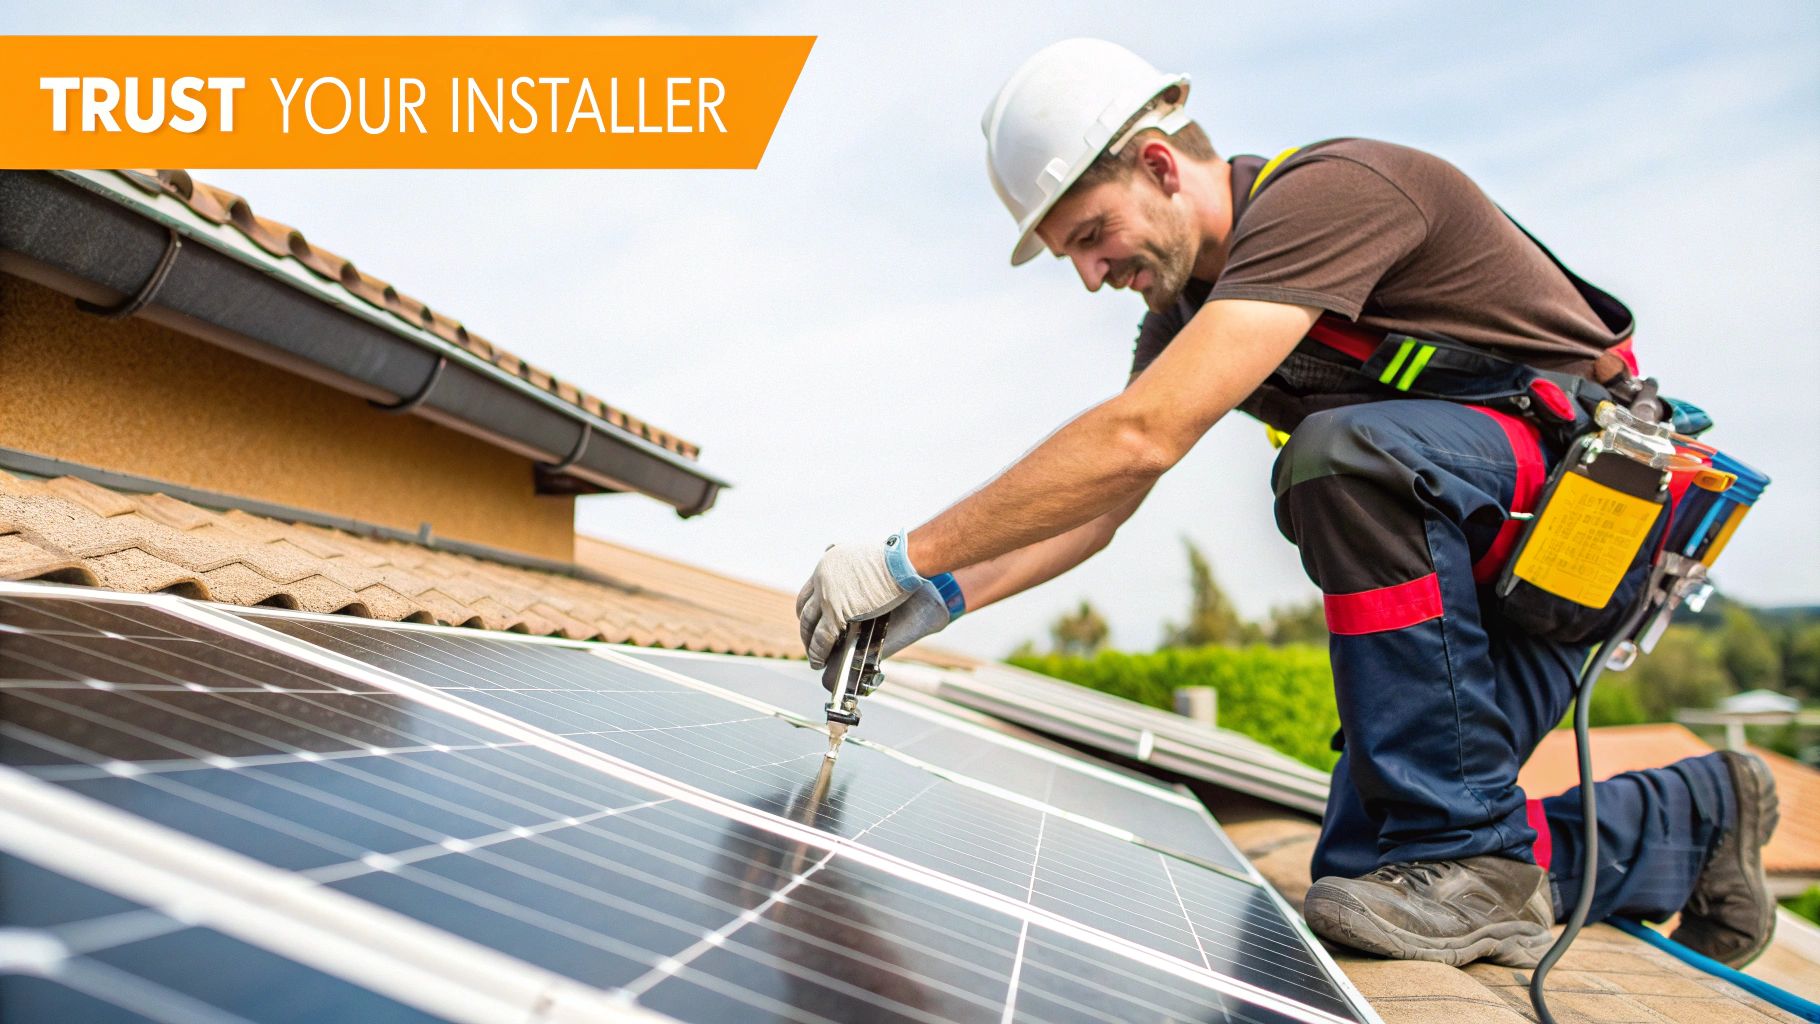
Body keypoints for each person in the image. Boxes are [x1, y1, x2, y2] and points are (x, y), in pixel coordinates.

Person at [795, 38, 1779, 969]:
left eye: (1092, 235)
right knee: (1366, 880)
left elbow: (1142, 430)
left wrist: (898, 553)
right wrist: (933, 596)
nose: (1093, 275)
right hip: (1475, 561)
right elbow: (1102, 501)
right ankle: (1692, 815)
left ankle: (1472, 850)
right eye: (1072, 257)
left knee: (1339, 457)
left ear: (1157, 164)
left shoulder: (1328, 195)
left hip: (1578, 527)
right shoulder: (1182, 312)